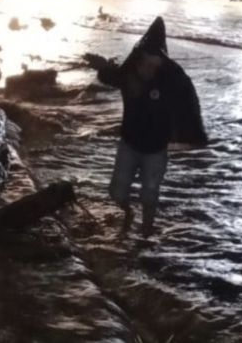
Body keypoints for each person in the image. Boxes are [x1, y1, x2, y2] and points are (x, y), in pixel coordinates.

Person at [85, 17, 208, 237]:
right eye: (145, 64)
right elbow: (109, 76)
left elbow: (187, 97)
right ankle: (128, 212)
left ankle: (146, 232)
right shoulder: (128, 75)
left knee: (150, 194)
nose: (149, 70)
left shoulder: (170, 80)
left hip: (155, 150)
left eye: (155, 65)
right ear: (139, 59)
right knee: (116, 193)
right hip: (129, 145)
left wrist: (193, 136)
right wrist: (101, 66)